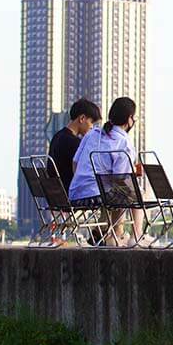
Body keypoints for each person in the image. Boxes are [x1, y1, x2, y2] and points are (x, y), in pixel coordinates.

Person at [66, 97, 143, 246]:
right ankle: (136, 235)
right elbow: (120, 178)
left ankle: (106, 234)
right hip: (99, 195)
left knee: (116, 194)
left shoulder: (92, 134)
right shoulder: (124, 142)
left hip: (76, 192)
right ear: (129, 119)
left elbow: (75, 163)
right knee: (135, 193)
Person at [48, 98, 101, 188]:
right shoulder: (75, 143)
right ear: (82, 118)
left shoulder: (57, 136)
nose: (92, 127)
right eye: (91, 122)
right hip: (74, 193)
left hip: (58, 193)